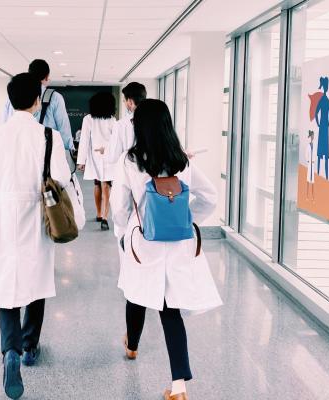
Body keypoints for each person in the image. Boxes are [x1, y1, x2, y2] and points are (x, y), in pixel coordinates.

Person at [110, 99, 222, 400]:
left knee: (136, 293)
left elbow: (118, 207)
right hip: (177, 245)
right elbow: (210, 197)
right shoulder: (182, 161)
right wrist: (187, 220)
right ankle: (179, 388)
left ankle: (132, 345)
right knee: (170, 311)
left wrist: (124, 231)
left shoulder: (130, 161)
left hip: (142, 242)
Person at [0, 73, 71, 400]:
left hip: (5, 212)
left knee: (6, 283)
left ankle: (10, 351)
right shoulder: (49, 136)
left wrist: (6, 197)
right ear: (37, 100)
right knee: (35, 279)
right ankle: (30, 346)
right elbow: (59, 179)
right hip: (36, 211)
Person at [2, 59, 74, 150]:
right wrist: (68, 150)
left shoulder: (13, 96)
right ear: (47, 77)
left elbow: (4, 123)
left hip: (15, 148)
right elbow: (63, 128)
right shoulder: (55, 97)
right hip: (46, 150)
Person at [77, 92, 117, 231]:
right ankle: (105, 217)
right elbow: (115, 141)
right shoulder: (112, 119)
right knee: (107, 185)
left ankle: (99, 214)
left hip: (94, 156)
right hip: (108, 155)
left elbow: (84, 140)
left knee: (97, 184)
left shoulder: (88, 119)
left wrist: (81, 161)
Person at [107, 82, 147, 164]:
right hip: (156, 171)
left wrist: (106, 151)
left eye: (124, 100)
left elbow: (113, 157)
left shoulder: (121, 124)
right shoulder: (157, 118)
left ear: (130, 101)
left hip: (131, 172)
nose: (123, 102)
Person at [315, 76, 329, 180]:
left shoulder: (323, 100)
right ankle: (325, 177)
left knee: (321, 153)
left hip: (323, 127)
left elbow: (317, 113)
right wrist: (327, 123)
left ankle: (322, 176)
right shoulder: (325, 100)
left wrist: (319, 123)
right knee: (323, 153)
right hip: (324, 127)